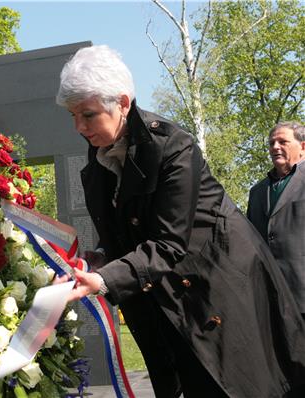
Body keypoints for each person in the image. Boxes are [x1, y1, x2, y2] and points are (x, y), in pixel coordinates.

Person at [55, 45, 305, 398]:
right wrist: (98, 257)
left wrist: (102, 279)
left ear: (123, 103)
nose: (80, 127)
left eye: (89, 115)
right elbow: (127, 232)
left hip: (215, 290)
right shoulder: (100, 158)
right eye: (73, 116)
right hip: (161, 296)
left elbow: (168, 243)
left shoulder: (173, 147)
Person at [247, 122, 305, 319]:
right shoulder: (257, 192)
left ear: (303, 146)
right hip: (270, 296)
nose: (275, 147)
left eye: (283, 142)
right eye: (272, 143)